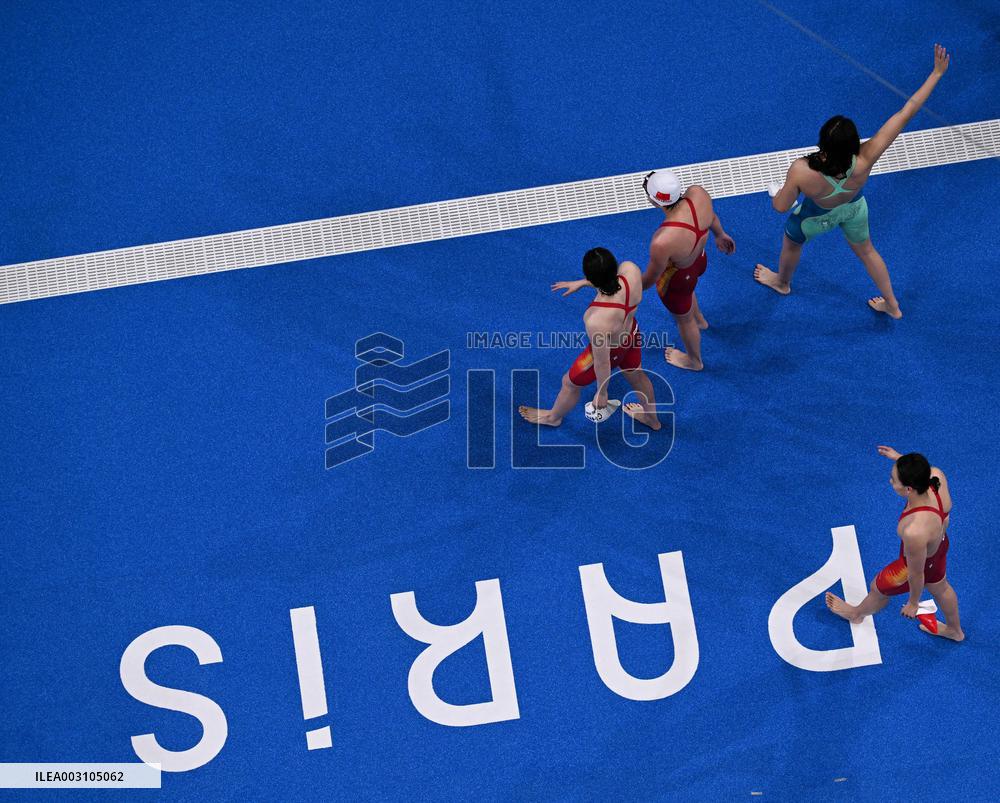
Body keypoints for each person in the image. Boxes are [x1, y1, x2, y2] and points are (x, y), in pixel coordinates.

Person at [755, 44, 951, 319]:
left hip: (816, 217)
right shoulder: (866, 157)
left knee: (791, 242)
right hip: (854, 208)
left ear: (823, 144)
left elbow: (781, 206)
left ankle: (782, 282)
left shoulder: (802, 170)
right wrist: (936, 74)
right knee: (868, 252)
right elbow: (905, 113)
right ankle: (893, 305)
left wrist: (778, 194)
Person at [826, 445, 964, 642]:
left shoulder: (913, 529)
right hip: (940, 544)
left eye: (894, 480)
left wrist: (913, 602)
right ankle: (955, 631)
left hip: (921, 560)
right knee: (940, 587)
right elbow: (925, 474)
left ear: (909, 489)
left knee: (878, 587)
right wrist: (900, 460)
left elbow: (916, 573)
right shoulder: (935, 476)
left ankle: (856, 614)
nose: (890, 482)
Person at [518, 247, 660, 429]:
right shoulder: (630, 270)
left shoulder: (596, 319)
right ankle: (652, 420)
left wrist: (602, 392)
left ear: (592, 277)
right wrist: (583, 283)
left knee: (568, 383)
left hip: (613, 350)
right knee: (639, 378)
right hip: (632, 334)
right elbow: (612, 282)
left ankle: (553, 418)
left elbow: (602, 362)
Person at [640, 170, 736, 371]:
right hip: (699, 261)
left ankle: (694, 360)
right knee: (690, 293)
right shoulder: (698, 194)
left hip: (678, 280)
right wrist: (720, 234)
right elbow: (711, 217)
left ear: (655, 202)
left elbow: (650, 279)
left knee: (684, 321)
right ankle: (700, 320)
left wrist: (624, 287)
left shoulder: (662, 240)